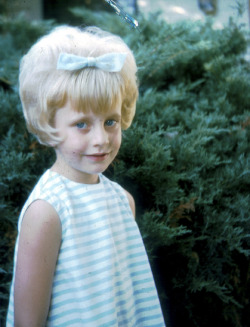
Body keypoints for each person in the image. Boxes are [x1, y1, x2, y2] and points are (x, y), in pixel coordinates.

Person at [6, 25, 165, 326]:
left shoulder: (122, 201)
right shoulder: (47, 211)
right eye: (81, 124)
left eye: (110, 121)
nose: (100, 139)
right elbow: (28, 321)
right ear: (48, 123)